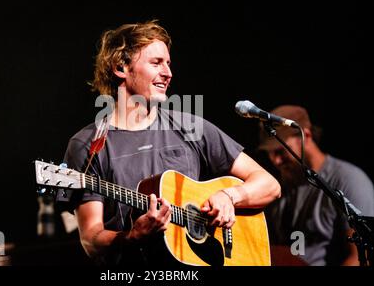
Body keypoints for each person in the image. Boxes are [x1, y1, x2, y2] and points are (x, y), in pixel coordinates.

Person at [59, 20, 281, 266]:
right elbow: (91, 239)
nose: (168, 73)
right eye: (156, 63)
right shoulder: (87, 145)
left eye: (168, 63)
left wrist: (230, 196)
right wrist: (131, 237)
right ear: (120, 67)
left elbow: (269, 185)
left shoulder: (190, 127)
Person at [258, 105, 374, 266]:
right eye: (270, 153)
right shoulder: (280, 186)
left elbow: (360, 257)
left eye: (281, 151)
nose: (276, 161)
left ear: (306, 135)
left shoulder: (347, 179)